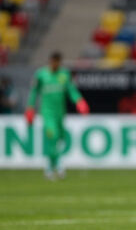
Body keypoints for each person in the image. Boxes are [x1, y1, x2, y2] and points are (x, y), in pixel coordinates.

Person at [25, 52, 90, 180]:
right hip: (47, 114)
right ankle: (56, 167)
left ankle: (50, 165)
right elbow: (34, 92)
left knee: (59, 140)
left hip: (60, 114)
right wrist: (30, 108)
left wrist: (79, 101)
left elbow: (71, 90)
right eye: (53, 62)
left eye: (57, 62)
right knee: (52, 137)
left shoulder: (64, 74)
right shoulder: (41, 75)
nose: (55, 64)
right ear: (50, 61)